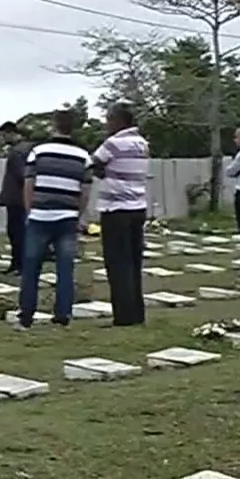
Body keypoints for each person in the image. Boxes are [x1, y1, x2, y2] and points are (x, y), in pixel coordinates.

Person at [15, 110, 93, 329]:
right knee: (65, 268)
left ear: (53, 126)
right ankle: (62, 315)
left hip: (40, 216)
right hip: (67, 217)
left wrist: (30, 211)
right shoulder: (83, 156)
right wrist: (78, 214)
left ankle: (26, 316)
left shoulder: (38, 152)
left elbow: (29, 184)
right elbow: (85, 191)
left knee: (31, 267)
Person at [91, 103, 150, 327]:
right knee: (134, 262)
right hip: (137, 206)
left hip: (116, 209)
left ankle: (123, 316)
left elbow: (92, 164)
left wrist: (104, 172)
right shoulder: (142, 144)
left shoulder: (113, 143)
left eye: (108, 119)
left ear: (118, 120)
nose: (106, 124)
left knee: (117, 263)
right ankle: (137, 312)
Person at [0, 121, 31, 274]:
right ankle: (17, 264)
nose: (2, 139)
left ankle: (20, 264)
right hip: (20, 197)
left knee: (17, 233)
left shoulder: (17, 152)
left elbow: (21, 175)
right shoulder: (27, 149)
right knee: (16, 232)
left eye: (3, 135)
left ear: (10, 133)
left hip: (17, 197)